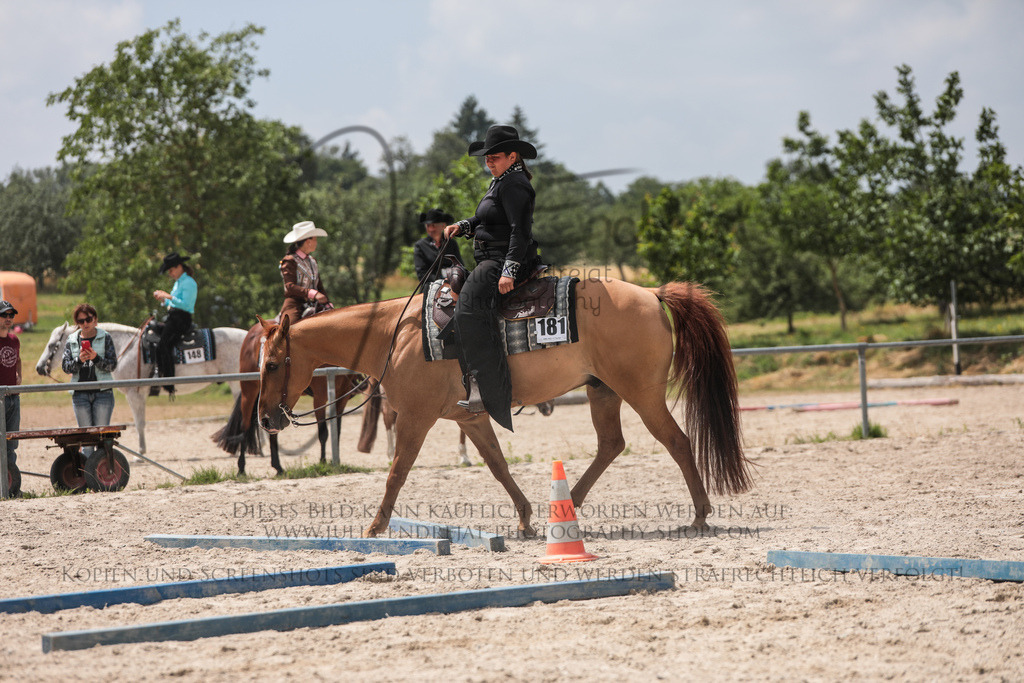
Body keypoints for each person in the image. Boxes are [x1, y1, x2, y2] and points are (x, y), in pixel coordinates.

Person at [442, 124, 540, 431]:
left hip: (502, 261)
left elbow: (519, 231)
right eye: (487, 158)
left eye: (494, 157)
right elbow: (488, 218)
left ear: (513, 157)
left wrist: (509, 270)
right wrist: (464, 226)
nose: (489, 162)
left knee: (467, 310)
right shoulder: (502, 181)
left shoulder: (514, 185)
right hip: (492, 260)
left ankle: (485, 387)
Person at [61, 304, 118, 456]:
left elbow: (112, 365)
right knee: (86, 440)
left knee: (101, 438)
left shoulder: (105, 337)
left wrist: (96, 358)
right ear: (77, 323)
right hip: (80, 394)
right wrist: (79, 360)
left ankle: (100, 469)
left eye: (88, 319)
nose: (85, 323)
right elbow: (65, 367)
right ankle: (88, 470)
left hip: (103, 393)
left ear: (95, 320)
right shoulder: (72, 339)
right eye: (81, 321)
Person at [152, 252, 197, 395]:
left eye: (171, 270)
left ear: (179, 267)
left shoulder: (189, 282)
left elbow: (186, 305)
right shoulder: (179, 283)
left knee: (164, 344)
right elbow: (174, 303)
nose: (170, 274)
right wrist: (164, 300)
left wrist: (169, 297)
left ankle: (168, 380)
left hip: (181, 319)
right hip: (174, 318)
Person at [279, 220, 332, 325]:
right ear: (308, 241)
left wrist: (327, 302)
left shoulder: (312, 261)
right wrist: (313, 293)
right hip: (295, 303)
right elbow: (290, 287)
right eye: (315, 239)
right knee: (290, 329)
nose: (316, 242)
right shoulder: (289, 260)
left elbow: (319, 286)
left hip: (314, 303)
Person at [0, 300, 21, 492]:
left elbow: (18, 359)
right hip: (0, 397)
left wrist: (18, 375)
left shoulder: (14, 340)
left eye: (11, 315)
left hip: (14, 396)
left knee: (11, 442)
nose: (8, 318)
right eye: (4, 315)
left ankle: (11, 485)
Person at [413, 208, 463, 283]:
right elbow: (421, 273)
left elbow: (459, 266)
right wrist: (441, 282)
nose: (431, 229)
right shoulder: (420, 246)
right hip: (430, 285)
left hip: (452, 284)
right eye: (428, 226)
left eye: (433, 225)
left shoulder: (452, 243)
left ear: (443, 226)